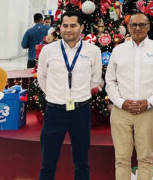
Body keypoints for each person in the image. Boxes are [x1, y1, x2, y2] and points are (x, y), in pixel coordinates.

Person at [36, 10, 103, 180]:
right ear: (60, 28)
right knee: (48, 163)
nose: (68, 29)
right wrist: (54, 95)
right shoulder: (48, 50)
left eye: (73, 25)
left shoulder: (93, 51)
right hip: (54, 111)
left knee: (82, 162)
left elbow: (95, 80)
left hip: (81, 112)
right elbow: (42, 77)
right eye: (65, 25)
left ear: (81, 27)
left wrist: (79, 93)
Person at [105, 13, 153, 180]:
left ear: (149, 27)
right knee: (121, 159)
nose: (137, 28)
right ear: (128, 27)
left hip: (148, 111)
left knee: (146, 159)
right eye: (133, 25)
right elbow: (110, 80)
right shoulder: (118, 50)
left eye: (142, 25)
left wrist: (149, 102)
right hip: (121, 112)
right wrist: (121, 102)